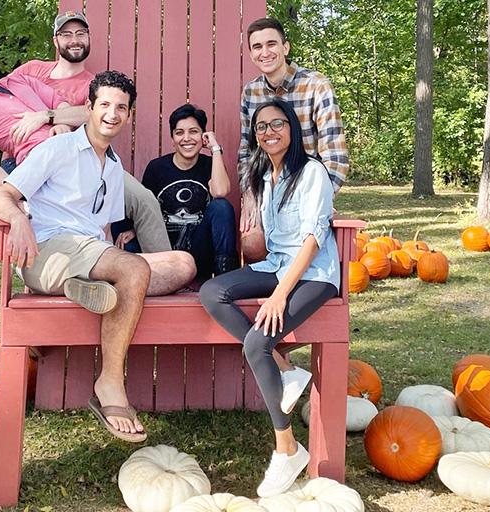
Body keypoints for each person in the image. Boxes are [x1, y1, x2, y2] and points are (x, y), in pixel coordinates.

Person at [0, 71, 195, 442]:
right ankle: (110, 384)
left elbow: (100, 230)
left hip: (87, 252)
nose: (112, 114)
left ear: (129, 115)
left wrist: (113, 254)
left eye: (121, 107)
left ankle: (89, 285)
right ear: (88, 107)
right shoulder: (58, 149)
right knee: (132, 268)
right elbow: (1, 196)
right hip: (48, 253)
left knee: (184, 263)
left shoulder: (114, 167)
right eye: (104, 105)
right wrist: (19, 219)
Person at [200, 98, 339, 497]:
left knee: (257, 341)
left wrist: (279, 295)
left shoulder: (312, 173)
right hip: (277, 264)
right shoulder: (264, 176)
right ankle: (285, 367)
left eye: (277, 124)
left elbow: (313, 240)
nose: (269, 132)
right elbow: (273, 241)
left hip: (314, 275)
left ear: (292, 130)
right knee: (213, 292)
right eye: (262, 127)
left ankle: (286, 447)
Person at [0, 12, 171, 253]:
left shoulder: (21, 81)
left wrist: (57, 121)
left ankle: (166, 271)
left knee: (144, 200)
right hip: (45, 168)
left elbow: (63, 106)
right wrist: (17, 186)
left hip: (84, 151)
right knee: (80, 225)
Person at [238, 17, 349, 262]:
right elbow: (247, 151)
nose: (265, 52)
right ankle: (265, 293)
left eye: (271, 44)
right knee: (252, 243)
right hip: (268, 190)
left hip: (306, 189)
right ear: (251, 53)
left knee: (303, 243)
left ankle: (295, 293)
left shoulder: (316, 85)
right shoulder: (251, 92)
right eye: (257, 47)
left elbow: (336, 157)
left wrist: (318, 200)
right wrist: (249, 194)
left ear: (285, 48)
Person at [0, 33, 82, 186]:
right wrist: (14, 189)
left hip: (75, 146)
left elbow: (62, 105)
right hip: (41, 161)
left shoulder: (21, 81)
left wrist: (61, 123)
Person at [140, 104, 238, 279]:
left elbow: (221, 191)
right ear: (172, 139)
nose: (186, 138)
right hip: (165, 254)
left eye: (193, 132)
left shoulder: (210, 165)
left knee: (221, 207)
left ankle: (226, 279)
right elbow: (144, 208)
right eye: (179, 133)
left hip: (200, 253)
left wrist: (215, 149)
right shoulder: (157, 168)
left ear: (203, 136)